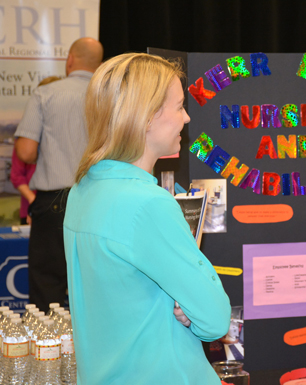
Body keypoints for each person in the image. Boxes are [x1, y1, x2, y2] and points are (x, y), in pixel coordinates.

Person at [63, 53, 231, 384]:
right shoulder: (147, 205)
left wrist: (186, 302)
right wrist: (191, 303)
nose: (185, 118)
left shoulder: (83, 190)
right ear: (147, 117)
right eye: (179, 105)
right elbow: (215, 318)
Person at [14, 37, 103, 312]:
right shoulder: (109, 95)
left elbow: (26, 153)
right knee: (96, 287)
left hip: (54, 204)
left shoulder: (46, 94)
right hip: (100, 202)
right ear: (99, 64)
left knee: (46, 289)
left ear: (69, 60)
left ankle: (50, 353)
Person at [10, 77, 61, 225]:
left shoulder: (65, 134)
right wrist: (36, 203)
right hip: (32, 210)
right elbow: (17, 176)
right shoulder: (25, 138)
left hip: (61, 210)